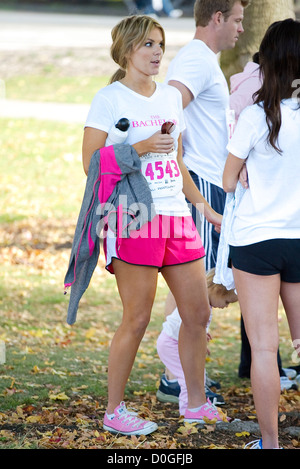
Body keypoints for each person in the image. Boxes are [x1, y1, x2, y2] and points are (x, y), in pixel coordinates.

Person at [79, 15, 224, 436]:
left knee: (197, 314)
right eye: (147, 44)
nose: (158, 52)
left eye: (160, 43)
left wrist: (202, 207)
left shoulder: (170, 99)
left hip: (176, 215)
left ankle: (194, 403)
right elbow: (90, 163)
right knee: (137, 318)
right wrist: (138, 147)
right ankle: (114, 411)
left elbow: (176, 162)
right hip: (133, 217)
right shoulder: (109, 99)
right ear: (127, 50)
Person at [156, 0, 249, 402]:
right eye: (238, 20)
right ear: (217, 18)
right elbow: (167, 111)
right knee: (206, 288)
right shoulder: (196, 59)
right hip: (206, 185)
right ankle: (175, 371)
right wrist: (180, 166)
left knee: (195, 286)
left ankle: (177, 376)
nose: (241, 29)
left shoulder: (203, 59)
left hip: (211, 182)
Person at [223, 18, 300, 449]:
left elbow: (229, 181)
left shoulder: (256, 116)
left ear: (267, 63)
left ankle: (270, 444)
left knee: (265, 350)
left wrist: (250, 168)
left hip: (257, 241)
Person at [157, 268, 238, 416]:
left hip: (175, 342)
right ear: (218, 290)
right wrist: (196, 340)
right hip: (171, 344)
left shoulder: (205, 305)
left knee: (195, 375)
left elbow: (195, 327)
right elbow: (183, 327)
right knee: (187, 377)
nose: (226, 306)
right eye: (227, 302)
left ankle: (198, 406)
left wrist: (202, 336)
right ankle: (188, 411)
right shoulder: (197, 303)